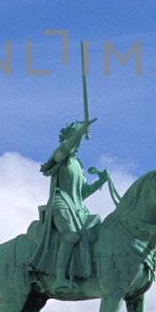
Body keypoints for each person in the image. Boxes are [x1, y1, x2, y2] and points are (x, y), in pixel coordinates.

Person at [30, 119, 109, 293]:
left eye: (79, 138)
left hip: (76, 207)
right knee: (71, 236)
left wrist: (100, 182)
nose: (78, 141)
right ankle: (60, 278)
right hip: (60, 204)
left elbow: (82, 193)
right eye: (75, 137)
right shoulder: (61, 156)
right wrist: (79, 132)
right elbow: (65, 149)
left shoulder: (77, 164)